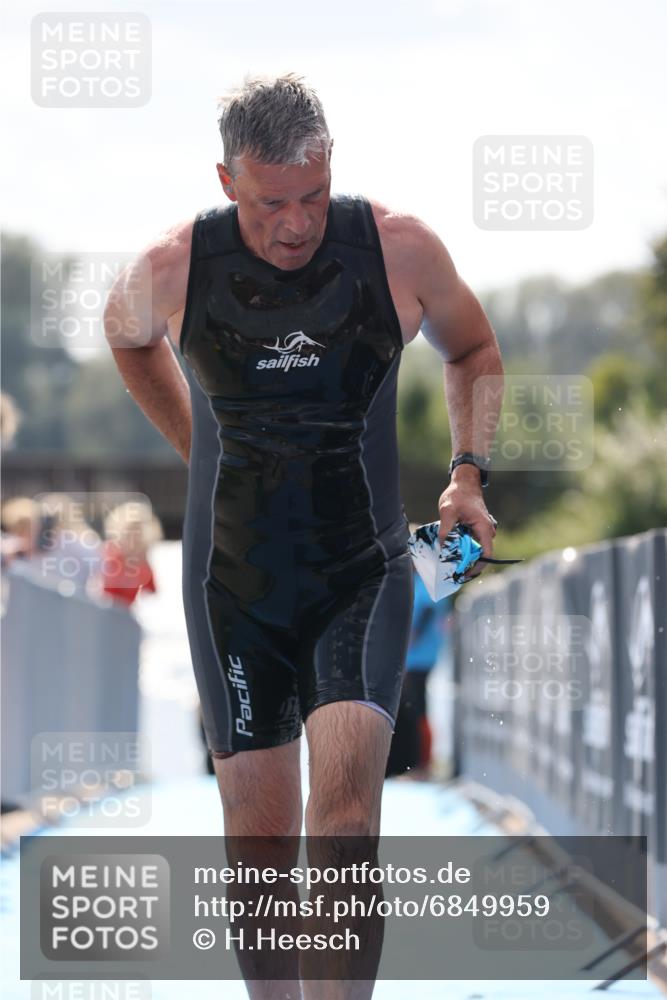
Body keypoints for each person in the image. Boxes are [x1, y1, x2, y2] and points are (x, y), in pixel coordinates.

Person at [105, 72, 502, 999]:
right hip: (232, 584)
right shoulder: (172, 267)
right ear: (226, 181)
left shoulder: (398, 249)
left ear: (333, 169)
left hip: (360, 573)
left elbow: (473, 348)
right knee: (258, 844)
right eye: (270, 203)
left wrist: (466, 473)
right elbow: (124, 335)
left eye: (314, 196)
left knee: (346, 825)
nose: (296, 224)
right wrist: (197, 444)